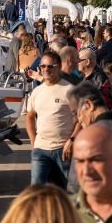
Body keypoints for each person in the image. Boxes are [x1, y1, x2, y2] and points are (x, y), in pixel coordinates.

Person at [25, 50, 75, 188]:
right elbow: (30, 116)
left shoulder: (69, 90)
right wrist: (33, 141)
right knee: (36, 189)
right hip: (40, 149)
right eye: (43, 66)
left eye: (50, 66)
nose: (46, 69)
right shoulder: (37, 91)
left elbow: (80, 118)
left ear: (59, 67)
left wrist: (71, 140)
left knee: (69, 189)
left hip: (63, 150)